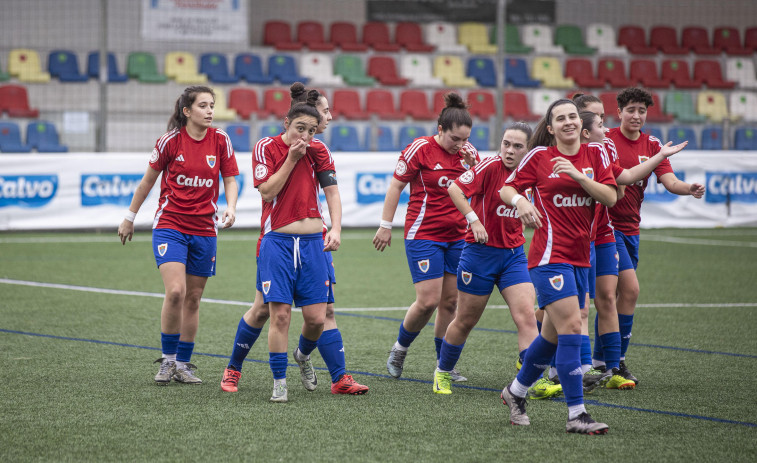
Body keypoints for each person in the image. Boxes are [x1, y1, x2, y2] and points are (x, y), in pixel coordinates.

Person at [220, 83, 368, 395]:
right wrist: (291, 157)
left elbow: (332, 193)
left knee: (320, 315)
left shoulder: (319, 149)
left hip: (314, 243)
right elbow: (268, 191)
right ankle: (235, 368)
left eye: (316, 125)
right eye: (323, 112)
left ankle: (314, 363)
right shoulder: (267, 147)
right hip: (277, 242)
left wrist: (336, 229)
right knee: (267, 311)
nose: (326, 120)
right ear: (290, 121)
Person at [499, 98, 617, 435]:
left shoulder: (596, 155)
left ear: (581, 123)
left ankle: (516, 392)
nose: (568, 122)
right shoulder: (540, 157)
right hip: (549, 257)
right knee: (571, 327)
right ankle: (577, 414)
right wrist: (521, 200)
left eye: (572, 117)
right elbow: (507, 188)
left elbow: (610, 197)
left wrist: (579, 176)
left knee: (550, 336)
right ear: (550, 128)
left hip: (582, 257)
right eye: (560, 119)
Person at [117, 85, 239, 385]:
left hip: (204, 230)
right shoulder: (170, 141)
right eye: (203, 106)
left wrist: (231, 207)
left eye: (212, 105)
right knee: (176, 292)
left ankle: (184, 364)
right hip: (170, 226)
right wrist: (129, 218)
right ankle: (168, 361)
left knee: (194, 298)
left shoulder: (221, 139)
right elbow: (147, 182)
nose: (210, 111)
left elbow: (230, 178)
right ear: (187, 111)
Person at [576, 108, 689, 391]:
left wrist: (660, 156)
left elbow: (623, 182)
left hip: (608, 233)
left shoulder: (605, 152)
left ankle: (610, 364)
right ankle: (563, 366)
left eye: (604, 120)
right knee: (576, 307)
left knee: (614, 296)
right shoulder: (560, 156)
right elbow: (615, 193)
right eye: (601, 122)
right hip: (578, 239)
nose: (607, 128)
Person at [600, 87, 705, 384]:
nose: (636, 115)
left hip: (632, 228)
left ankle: (603, 361)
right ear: (618, 112)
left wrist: (689, 188)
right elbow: (622, 177)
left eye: (642, 111)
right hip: (606, 226)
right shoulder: (605, 139)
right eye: (630, 110)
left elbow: (669, 181)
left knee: (611, 296)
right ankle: (615, 362)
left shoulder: (653, 144)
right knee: (627, 291)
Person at [373, 92, 479, 381]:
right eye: (454, 139)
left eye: (465, 140)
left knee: (450, 303)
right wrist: (385, 224)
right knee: (428, 301)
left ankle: (444, 364)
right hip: (424, 234)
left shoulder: (470, 156)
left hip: (459, 237)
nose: (460, 145)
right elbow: (395, 187)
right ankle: (400, 348)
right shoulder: (419, 149)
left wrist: (472, 164)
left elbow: (479, 192)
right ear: (440, 130)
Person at [433, 123, 539, 395]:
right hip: (479, 255)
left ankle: (528, 380)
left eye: (517, 146)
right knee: (466, 320)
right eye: (506, 144)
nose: (509, 150)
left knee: (527, 316)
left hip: (513, 256)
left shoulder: (534, 171)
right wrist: (474, 220)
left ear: (528, 150)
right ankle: (442, 372)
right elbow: (455, 188)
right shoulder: (490, 166)